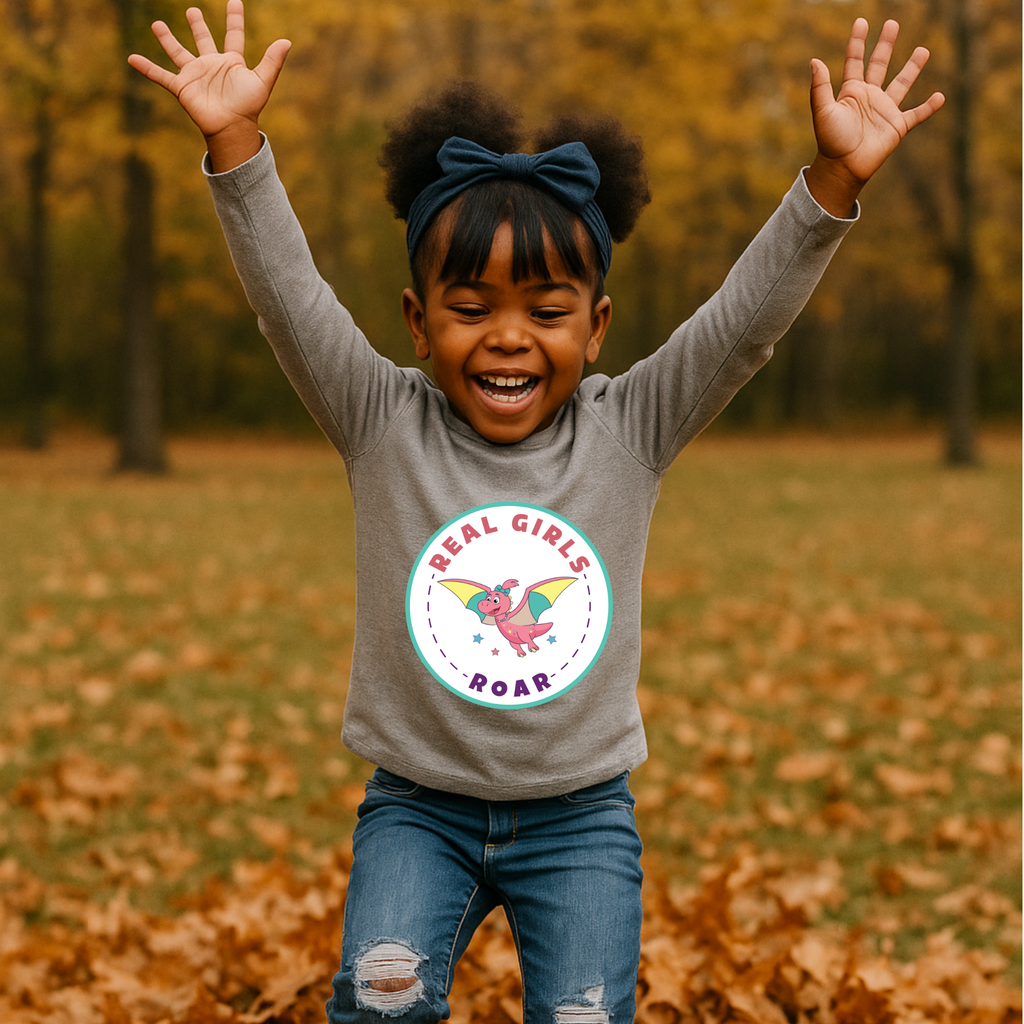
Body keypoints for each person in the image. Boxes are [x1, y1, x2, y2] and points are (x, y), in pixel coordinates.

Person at [129, 5, 943, 1022]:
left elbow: (743, 324)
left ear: (595, 326)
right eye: (471, 308)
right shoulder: (381, 419)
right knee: (381, 1004)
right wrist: (235, 145)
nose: (508, 338)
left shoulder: (630, 428)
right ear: (418, 324)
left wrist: (833, 184)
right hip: (417, 812)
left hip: (580, 820)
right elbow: (286, 296)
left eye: (546, 311)